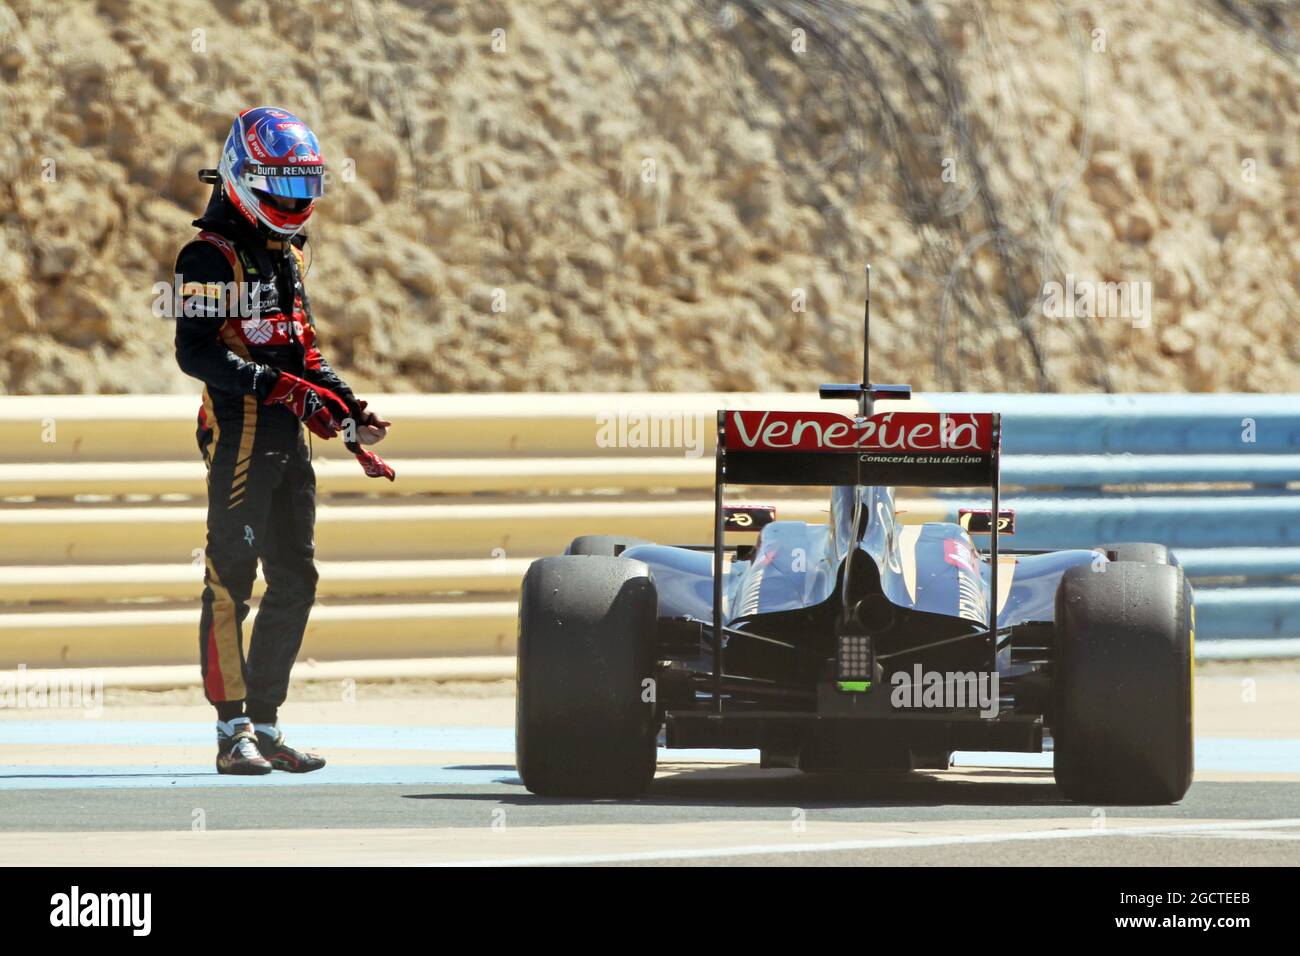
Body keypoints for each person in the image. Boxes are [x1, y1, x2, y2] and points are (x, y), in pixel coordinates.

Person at [174, 106, 395, 775]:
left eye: (304, 187)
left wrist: (348, 408)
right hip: (239, 431)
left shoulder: (286, 255)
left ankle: (266, 722)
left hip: (289, 437)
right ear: (242, 177)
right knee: (229, 583)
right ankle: (231, 729)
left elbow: (304, 350)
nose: (295, 201)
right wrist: (277, 388)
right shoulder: (205, 258)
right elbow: (195, 354)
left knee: (296, 579)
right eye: (281, 185)